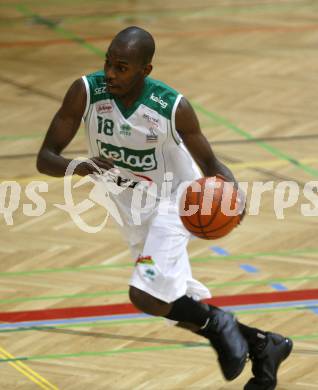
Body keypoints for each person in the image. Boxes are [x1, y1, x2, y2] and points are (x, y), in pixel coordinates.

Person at [37, 26, 293, 389]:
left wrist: (233, 197)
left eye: (122, 67)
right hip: (131, 207)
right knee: (172, 303)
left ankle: (225, 329)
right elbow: (45, 159)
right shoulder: (86, 92)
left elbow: (212, 165)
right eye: (108, 63)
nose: (111, 73)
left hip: (176, 202)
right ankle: (264, 345)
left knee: (145, 294)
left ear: (146, 70)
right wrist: (80, 166)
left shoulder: (172, 107)